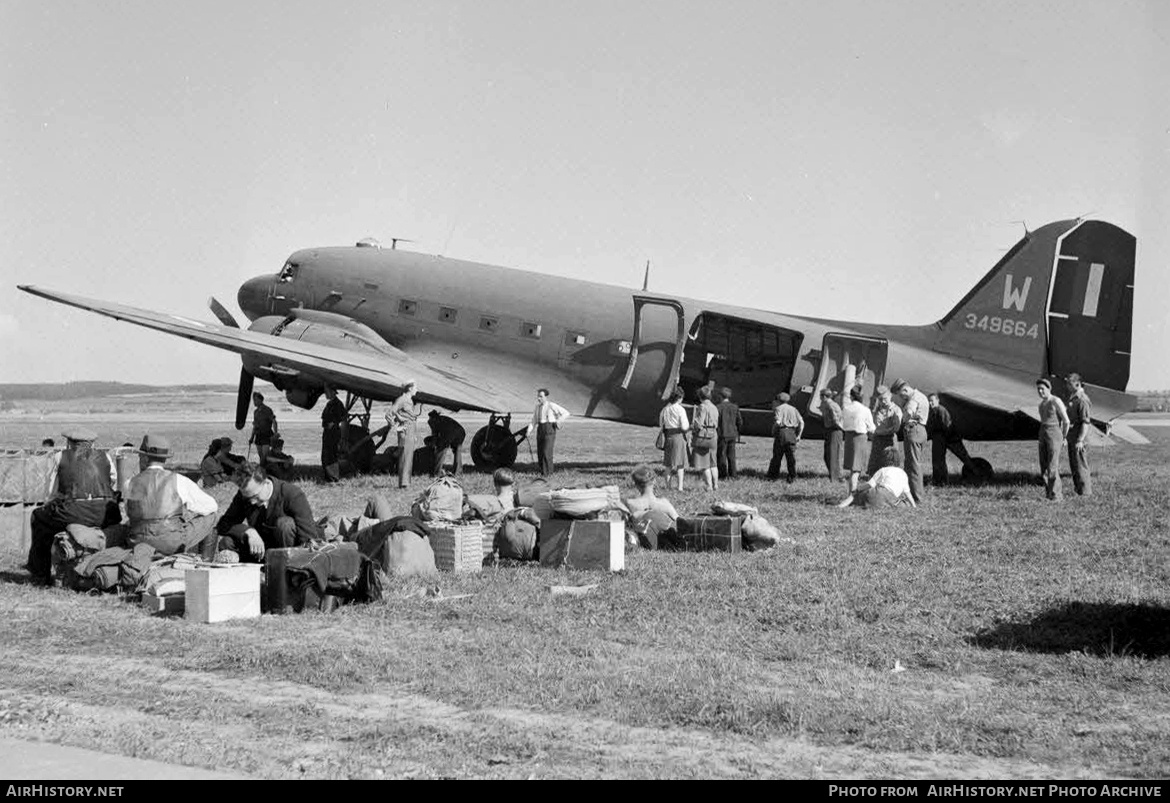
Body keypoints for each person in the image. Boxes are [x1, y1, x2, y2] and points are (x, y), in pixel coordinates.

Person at [27, 428, 121, 585]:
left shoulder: (60, 457)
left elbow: (51, 491)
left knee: (38, 517)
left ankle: (40, 574)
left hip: (72, 511)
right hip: (105, 512)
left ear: (69, 443)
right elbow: (112, 481)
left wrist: (51, 505)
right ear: (92, 444)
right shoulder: (105, 457)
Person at [125, 434, 218, 559]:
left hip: (137, 542)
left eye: (140, 455)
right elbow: (211, 506)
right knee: (211, 517)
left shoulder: (129, 482)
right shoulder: (178, 480)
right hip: (172, 543)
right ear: (164, 458)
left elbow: (128, 512)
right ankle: (203, 565)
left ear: (144, 457)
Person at [216, 463, 322, 561]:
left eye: (255, 496)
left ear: (266, 483)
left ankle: (287, 571)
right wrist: (249, 532)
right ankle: (251, 574)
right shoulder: (244, 495)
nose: (252, 502)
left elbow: (308, 536)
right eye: (248, 498)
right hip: (262, 549)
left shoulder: (292, 494)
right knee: (227, 543)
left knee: (285, 524)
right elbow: (223, 524)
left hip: (290, 549)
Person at [890, 378, 929, 504]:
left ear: (905, 389)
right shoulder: (921, 396)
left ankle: (917, 498)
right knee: (912, 464)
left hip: (914, 430)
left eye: (902, 394)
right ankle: (912, 495)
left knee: (913, 465)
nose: (902, 397)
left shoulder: (913, 399)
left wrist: (904, 421)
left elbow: (908, 413)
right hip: (921, 430)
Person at [838, 448, 917, 508]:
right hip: (891, 499)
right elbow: (907, 493)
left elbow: (870, 484)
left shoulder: (883, 470)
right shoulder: (903, 473)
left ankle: (840, 506)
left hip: (878, 493)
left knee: (855, 496)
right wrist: (914, 505)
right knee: (903, 503)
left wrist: (858, 489)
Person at [925, 393, 975, 485]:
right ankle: (940, 481)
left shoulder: (941, 410)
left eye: (932, 401)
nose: (930, 403)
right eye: (929, 401)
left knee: (962, 457)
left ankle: (977, 474)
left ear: (937, 401)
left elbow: (947, 426)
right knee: (938, 460)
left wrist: (945, 438)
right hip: (940, 438)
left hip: (948, 438)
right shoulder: (933, 411)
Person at [1036, 378, 1070, 501]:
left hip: (1054, 433)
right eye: (1038, 389)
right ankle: (1048, 494)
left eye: (1042, 389)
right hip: (1043, 432)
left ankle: (1057, 496)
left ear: (1049, 389)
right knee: (1044, 466)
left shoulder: (1056, 401)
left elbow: (1066, 421)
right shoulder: (1041, 404)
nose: (1040, 391)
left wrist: (1064, 437)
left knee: (1052, 466)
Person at [526, 388, 570, 476]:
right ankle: (542, 472)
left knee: (547, 452)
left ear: (546, 397)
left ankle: (549, 473)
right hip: (540, 429)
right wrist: (529, 431)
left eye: (541, 396)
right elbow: (534, 420)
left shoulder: (552, 405)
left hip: (549, 429)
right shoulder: (537, 407)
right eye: (538, 396)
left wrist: (558, 421)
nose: (539, 398)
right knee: (540, 452)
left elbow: (566, 413)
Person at [841, 386, 876, 495]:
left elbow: (841, 422)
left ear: (851, 396)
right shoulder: (865, 410)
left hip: (848, 437)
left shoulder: (846, 408)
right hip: (860, 438)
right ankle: (853, 494)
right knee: (856, 469)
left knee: (853, 468)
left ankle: (852, 492)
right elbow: (872, 428)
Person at [767, 391, 804, 483]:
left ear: (778, 400)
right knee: (790, 457)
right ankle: (792, 476)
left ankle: (773, 476)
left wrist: (773, 430)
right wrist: (799, 435)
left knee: (777, 456)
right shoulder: (794, 409)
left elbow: (778, 422)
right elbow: (802, 422)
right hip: (792, 433)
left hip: (782, 433)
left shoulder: (778, 408)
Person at [658, 387, 690, 491]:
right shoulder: (680, 409)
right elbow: (685, 426)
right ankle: (680, 487)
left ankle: (668, 486)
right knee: (680, 464)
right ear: (680, 398)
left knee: (668, 464)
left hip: (668, 437)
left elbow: (660, 424)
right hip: (679, 436)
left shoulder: (665, 409)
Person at [1065, 373, 1093, 496]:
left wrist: (1080, 440)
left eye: (1069, 383)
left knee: (1080, 464)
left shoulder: (1082, 399)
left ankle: (1085, 493)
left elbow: (1085, 422)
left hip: (1078, 437)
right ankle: (1079, 490)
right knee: (1074, 465)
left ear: (1077, 384)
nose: (1067, 386)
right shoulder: (1074, 397)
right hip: (1073, 436)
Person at [866, 385, 902, 476]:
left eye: (885, 399)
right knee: (875, 461)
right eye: (881, 399)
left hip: (889, 439)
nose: (883, 401)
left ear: (890, 396)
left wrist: (880, 432)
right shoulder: (877, 410)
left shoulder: (896, 410)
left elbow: (895, 428)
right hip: (877, 440)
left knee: (890, 461)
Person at [689, 385, 720, 491]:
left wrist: (691, 427)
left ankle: (708, 486)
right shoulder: (715, 407)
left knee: (704, 464)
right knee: (713, 463)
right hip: (713, 436)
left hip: (703, 437)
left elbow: (698, 424)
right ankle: (716, 484)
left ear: (700, 396)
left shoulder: (702, 407)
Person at [320, 386, 348, 483]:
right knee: (325, 455)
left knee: (331, 455)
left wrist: (334, 423)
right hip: (327, 432)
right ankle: (328, 477)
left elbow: (343, 417)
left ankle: (333, 478)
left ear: (332, 392)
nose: (326, 394)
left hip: (333, 433)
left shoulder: (337, 404)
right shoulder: (329, 404)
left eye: (327, 392)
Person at [427, 410, 466, 477]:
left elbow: (435, 434)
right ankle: (458, 472)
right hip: (461, 432)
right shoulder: (442, 418)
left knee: (441, 451)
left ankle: (437, 472)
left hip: (451, 433)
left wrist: (434, 444)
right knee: (457, 451)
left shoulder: (432, 421)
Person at [715, 387, 742, 480]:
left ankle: (722, 475)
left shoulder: (718, 407)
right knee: (731, 455)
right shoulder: (735, 407)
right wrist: (737, 430)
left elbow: (716, 421)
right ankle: (733, 474)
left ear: (720, 396)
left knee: (721, 455)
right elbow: (739, 421)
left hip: (722, 434)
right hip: (732, 434)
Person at [819, 388, 844, 482]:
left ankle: (837, 478)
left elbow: (836, 419)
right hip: (830, 430)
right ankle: (833, 475)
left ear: (824, 396)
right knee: (828, 454)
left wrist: (836, 427)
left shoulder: (831, 405)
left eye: (821, 396)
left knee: (834, 454)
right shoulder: (827, 404)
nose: (820, 398)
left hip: (835, 430)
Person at [250, 392, 278, 466]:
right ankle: (264, 471)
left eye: (255, 400)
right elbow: (255, 426)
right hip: (258, 435)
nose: (254, 402)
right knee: (261, 456)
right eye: (253, 400)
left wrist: (275, 434)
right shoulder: (255, 412)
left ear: (261, 400)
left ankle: (262, 471)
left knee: (264, 457)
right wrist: (251, 438)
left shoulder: (268, 410)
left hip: (267, 435)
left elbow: (274, 422)